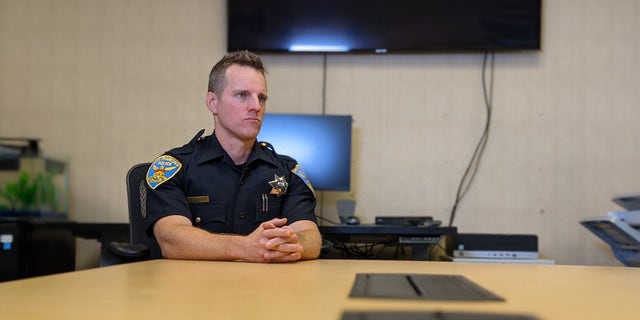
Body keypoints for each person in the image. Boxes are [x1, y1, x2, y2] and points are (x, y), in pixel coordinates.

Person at [144, 50, 322, 263]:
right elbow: (171, 240)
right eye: (242, 95)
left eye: (261, 98)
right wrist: (245, 247)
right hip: (193, 291)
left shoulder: (287, 171)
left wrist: (289, 243)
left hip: (267, 291)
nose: (256, 106)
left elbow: (311, 238)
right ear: (213, 102)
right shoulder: (174, 168)